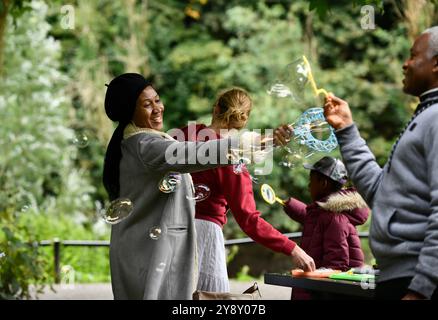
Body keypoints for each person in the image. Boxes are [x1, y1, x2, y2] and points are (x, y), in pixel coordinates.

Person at [103, 74, 274, 299]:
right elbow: (194, 153)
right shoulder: (145, 145)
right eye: (147, 104)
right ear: (129, 111)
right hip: (149, 256)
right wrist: (249, 143)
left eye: (157, 100)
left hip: (141, 251)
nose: (157, 108)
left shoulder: (140, 142)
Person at [323, 26, 438, 300]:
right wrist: (347, 130)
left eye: (413, 55)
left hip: (415, 282)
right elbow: (378, 191)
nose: (405, 63)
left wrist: (421, 289)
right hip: (397, 277)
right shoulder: (426, 114)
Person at [177, 88, 316, 293]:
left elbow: (217, 145)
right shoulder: (233, 161)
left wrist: (269, 142)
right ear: (244, 119)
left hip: (171, 228)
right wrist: (292, 248)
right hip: (204, 238)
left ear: (216, 108)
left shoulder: (185, 134)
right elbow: (249, 219)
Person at [282, 156, 369, 299]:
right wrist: (290, 204)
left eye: (312, 181)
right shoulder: (324, 213)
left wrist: (315, 291)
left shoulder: (334, 217)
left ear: (323, 183)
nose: (309, 186)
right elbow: (309, 217)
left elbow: (335, 268)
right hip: (313, 288)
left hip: (320, 293)